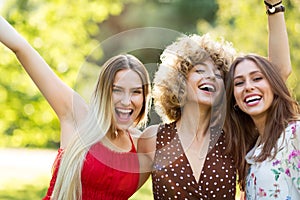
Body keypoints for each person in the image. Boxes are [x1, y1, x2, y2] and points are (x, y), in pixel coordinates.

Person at [137, 0, 292, 199]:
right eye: (200, 70)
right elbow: (118, 187)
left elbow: (278, 74)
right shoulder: (152, 139)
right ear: (180, 80)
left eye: (218, 74)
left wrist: (274, 7)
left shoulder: (235, 136)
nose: (210, 76)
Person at [0, 16, 151, 199]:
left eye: (136, 92)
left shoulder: (144, 147)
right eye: (117, 90)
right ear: (103, 92)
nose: (126, 102)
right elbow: (21, 48)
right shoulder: (79, 116)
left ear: (145, 97)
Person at [225, 54, 300, 199]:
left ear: (274, 85)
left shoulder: (295, 133)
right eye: (239, 83)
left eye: (257, 78)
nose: (248, 87)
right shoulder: (251, 153)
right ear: (234, 100)